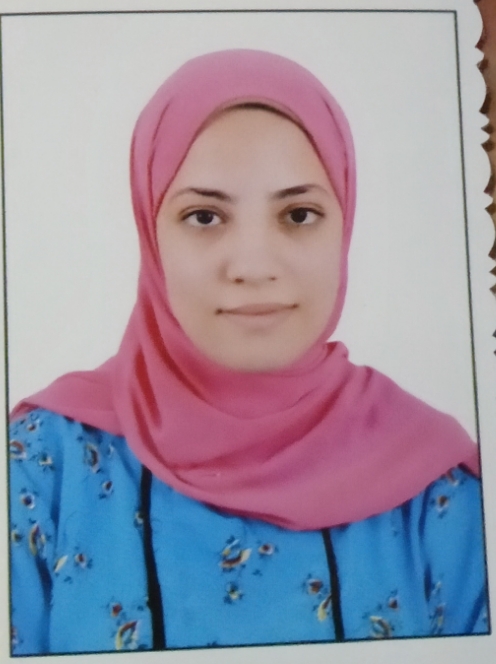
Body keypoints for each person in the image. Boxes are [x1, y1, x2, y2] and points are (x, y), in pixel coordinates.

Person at [8, 49, 488, 655]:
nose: (254, 266)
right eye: (204, 216)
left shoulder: (436, 490)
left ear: (344, 224)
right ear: (150, 232)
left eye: (299, 214)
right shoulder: (44, 468)